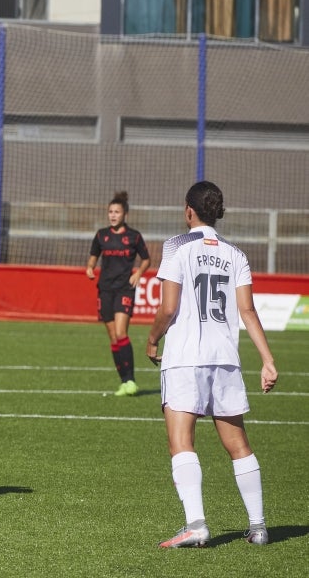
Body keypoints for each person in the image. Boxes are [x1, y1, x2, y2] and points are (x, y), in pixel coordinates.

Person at [146, 180, 277, 548]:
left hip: (185, 358)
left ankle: (197, 524)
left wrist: (153, 338)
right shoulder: (236, 254)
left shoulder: (176, 246)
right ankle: (259, 526)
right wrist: (267, 360)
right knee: (238, 444)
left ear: (189, 210)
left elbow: (168, 308)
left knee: (181, 441)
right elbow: (247, 310)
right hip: (225, 359)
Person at [86, 191, 151, 396]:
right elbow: (93, 256)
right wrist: (90, 268)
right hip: (105, 290)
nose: (113, 215)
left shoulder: (134, 236)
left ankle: (131, 380)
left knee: (122, 333)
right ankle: (123, 381)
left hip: (124, 289)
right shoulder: (101, 235)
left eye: (117, 212)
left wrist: (138, 273)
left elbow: (146, 259)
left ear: (125, 215)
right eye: (110, 212)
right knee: (114, 338)